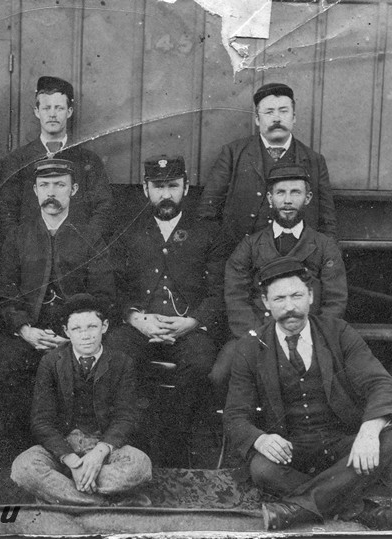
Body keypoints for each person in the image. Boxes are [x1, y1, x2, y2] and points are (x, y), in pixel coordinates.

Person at [224, 257, 392, 532]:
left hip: (340, 446)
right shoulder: (250, 347)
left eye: (297, 296)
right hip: (291, 451)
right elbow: (235, 416)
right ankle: (356, 508)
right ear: (265, 302)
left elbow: (383, 385)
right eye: (279, 299)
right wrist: (260, 439)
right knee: (262, 468)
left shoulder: (339, 333)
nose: (289, 308)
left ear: (310, 296)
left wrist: (369, 431)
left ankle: (300, 508)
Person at [107, 155, 226, 468]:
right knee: (115, 355)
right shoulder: (127, 231)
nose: (165, 194)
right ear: (146, 189)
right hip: (140, 325)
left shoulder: (207, 232)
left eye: (172, 185)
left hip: (188, 327)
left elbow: (218, 293)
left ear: (185, 187)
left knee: (201, 365)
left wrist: (193, 321)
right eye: (158, 187)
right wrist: (136, 318)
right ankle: (129, 441)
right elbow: (113, 288)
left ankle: (173, 446)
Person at [0, 157, 114, 430]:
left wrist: (74, 335)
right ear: (35, 191)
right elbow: (6, 291)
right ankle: (20, 443)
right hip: (30, 332)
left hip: (76, 334)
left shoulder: (90, 236)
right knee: (9, 361)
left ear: (73, 190)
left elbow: (104, 294)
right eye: (44, 185)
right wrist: (24, 329)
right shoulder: (18, 236)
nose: (51, 192)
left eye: (60, 185)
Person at [10, 294, 152, 506]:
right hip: (63, 447)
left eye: (92, 327)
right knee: (23, 468)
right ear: (66, 332)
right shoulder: (51, 362)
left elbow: (125, 417)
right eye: (76, 329)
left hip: (104, 446)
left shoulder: (122, 362)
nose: (85, 336)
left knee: (140, 465)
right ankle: (103, 502)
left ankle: (66, 495)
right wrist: (72, 461)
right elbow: (41, 421)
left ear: (104, 327)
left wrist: (98, 455)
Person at [198, 82, 337, 244]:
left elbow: (327, 222)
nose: (277, 118)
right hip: (241, 257)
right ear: (257, 119)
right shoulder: (233, 154)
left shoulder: (314, 160)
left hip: (294, 258)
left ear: (294, 117)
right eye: (269, 112)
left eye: (284, 111)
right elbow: (207, 211)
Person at [224, 162, 347, 339]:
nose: (287, 200)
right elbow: (235, 297)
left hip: (308, 336)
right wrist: (254, 336)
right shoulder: (250, 245)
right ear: (269, 198)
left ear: (308, 198)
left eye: (295, 192)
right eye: (280, 192)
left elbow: (335, 301)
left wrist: (311, 336)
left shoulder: (324, 246)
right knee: (224, 366)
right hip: (259, 336)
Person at [0, 76, 113, 244]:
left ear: (69, 112)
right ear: (36, 111)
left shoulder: (88, 160)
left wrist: (86, 243)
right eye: (46, 108)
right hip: (30, 250)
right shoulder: (18, 160)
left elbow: (103, 208)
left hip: (75, 249)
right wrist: (20, 245)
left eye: (59, 108)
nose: (52, 114)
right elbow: (6, 209)